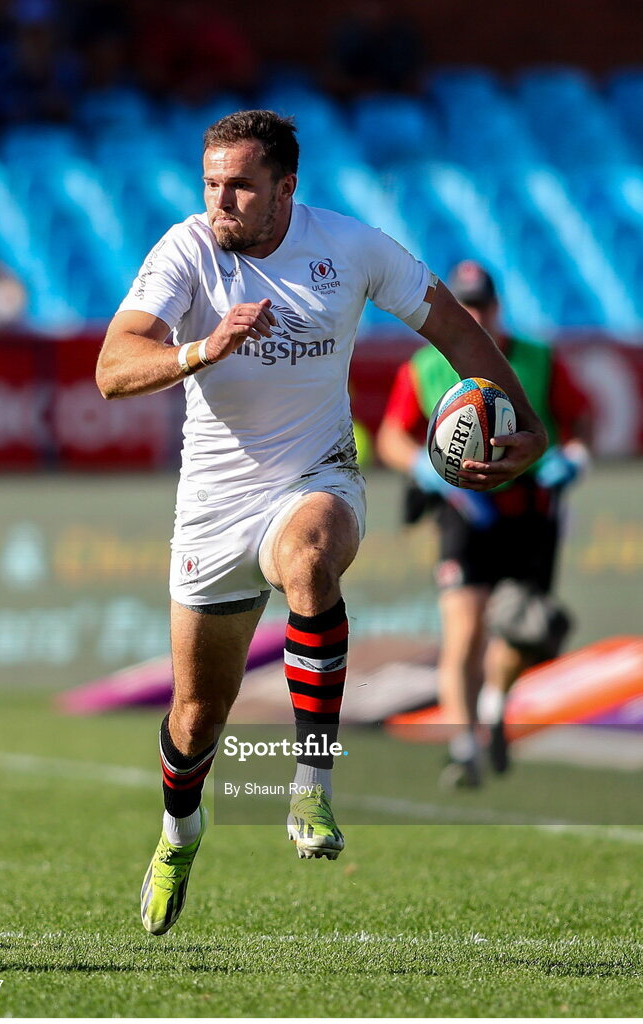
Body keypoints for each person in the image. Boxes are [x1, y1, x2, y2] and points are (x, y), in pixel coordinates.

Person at [96, 112, 547, 936]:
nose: (220, 202)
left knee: (311, 559)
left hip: (315, 477)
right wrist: (202, 349)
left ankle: (310, 783)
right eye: (210, 184)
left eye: (238, 186)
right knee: (197, 718)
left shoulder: (352, 248)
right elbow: (112, 368)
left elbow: (450, 326)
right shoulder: (185, 251)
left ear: (285, 190)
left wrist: (528, 422)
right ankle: (178, 834)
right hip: (212, 506)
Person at [376, 260, 592, 788]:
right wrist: (421, 467)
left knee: (526, 629)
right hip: (463, 509)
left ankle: (495, 704)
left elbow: (576, 418)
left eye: (482, 304)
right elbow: (391, 436)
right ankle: (463, 745)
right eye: (464, 305)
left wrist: (575, 456)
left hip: (530, 506)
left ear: (498, 307)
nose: (474, 314)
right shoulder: (425, 367)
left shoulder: (538, 358)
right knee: (464, 628)